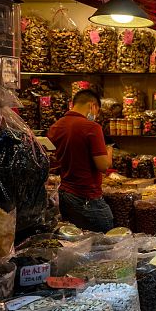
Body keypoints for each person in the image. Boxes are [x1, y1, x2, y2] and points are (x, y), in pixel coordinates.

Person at [47, 89, 114, 232]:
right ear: (92, 106)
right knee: (105, 243)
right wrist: (109, 151)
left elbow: (54, 162)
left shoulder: (56, 126)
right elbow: (103, 166)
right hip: (87, 198)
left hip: (65, 195)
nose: (96, 116)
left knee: (77, 243)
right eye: (97, 111)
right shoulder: (92, 127)